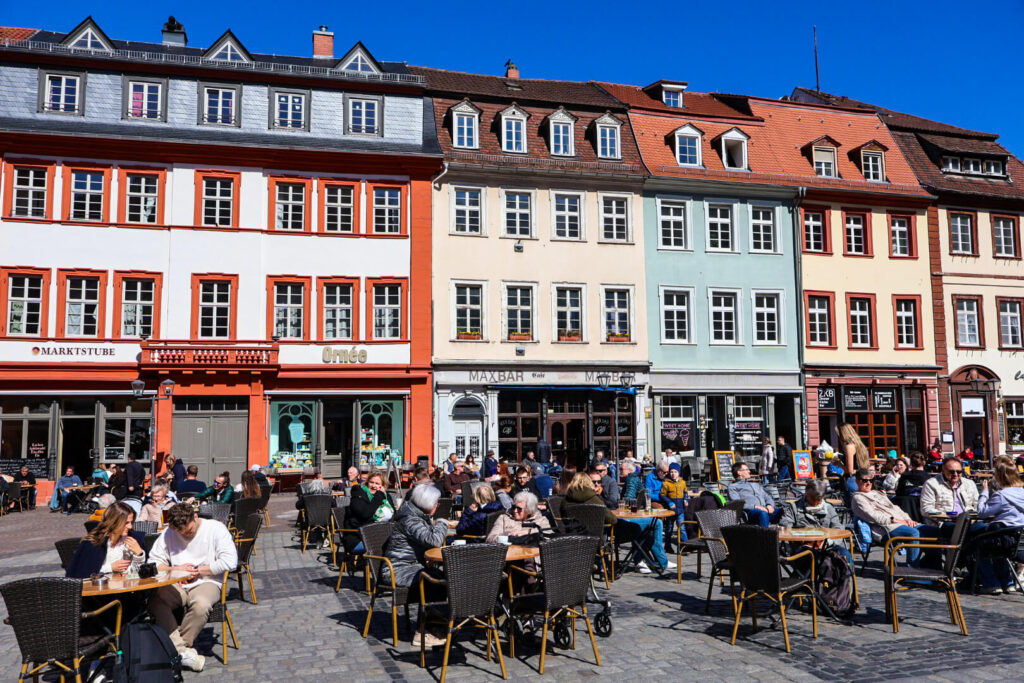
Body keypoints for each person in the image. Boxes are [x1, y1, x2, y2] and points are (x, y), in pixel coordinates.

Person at [148, 502, 238, 672]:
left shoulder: (215, 528)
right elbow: (153, 562)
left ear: (195, 517)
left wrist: (199, 571)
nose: (185, 535)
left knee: (201, 605)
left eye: (189, 531)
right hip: (177, 582)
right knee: (156, 601)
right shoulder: (169, 532)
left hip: (208, 580)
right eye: (181, 532)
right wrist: (176, 569)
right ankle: (181, 652)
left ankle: (176, 648)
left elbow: (230, 561)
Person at [382, 484, 449, 648]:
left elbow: (423, 542)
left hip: (412, 565)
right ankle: (423, 632)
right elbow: (434, 540)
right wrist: (442, 522)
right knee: (433, 581)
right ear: (427, 504)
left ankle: (434, 625)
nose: (437, 505)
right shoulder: (410, 519)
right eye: (436, 503)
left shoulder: (415, 515)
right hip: (398, 569)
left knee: (443, 578)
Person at [564, 472, 673, 574]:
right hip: (604, 534)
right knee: (650, 526)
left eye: (598, 482)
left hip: (574, 536)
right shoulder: (593, 499)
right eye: (593, 482)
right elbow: (612, 519)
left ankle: (646, 561)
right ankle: (659, 562)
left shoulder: (565, 500)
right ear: (588, 483)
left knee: (646, 528)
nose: (597, 484)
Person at [850, 467, 921, 566]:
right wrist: (895, 520)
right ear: (857, 481)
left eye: (871, 480)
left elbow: (895, 508)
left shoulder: (878, 493)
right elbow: (873, 516)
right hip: (885, 529)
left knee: (930, 530)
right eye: (865, 480)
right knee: (914, 533)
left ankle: (930, 566)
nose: (868, 483)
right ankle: (912, 572)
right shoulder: (858, 498)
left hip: (901, 523)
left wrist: (908, 520)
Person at [973, 463, 1024, 592]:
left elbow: (982, 512)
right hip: (1019, 540)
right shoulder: (1022, 493)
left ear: (1000, 477)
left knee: (977, 540)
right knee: (993, 538)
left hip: (1005, 541)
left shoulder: (1002, 495)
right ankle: (1007, 582)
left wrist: (984, 492)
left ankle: (991, 583)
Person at [66, 501, 147, 579]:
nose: (130, 526)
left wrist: (139, 554)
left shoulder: (134, 539)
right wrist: (111, 568)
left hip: (129, 589)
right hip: (101, 590)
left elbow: (140, 575)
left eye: (131, 522)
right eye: (126, 523)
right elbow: (82, 574)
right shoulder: (93, 543)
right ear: (114, 522)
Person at [342, 470, 394, 554]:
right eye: (371, 482)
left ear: (383, 486)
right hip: (359, 538)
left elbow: (394, 516)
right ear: (367, 482)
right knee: (388, 547)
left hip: (380, 536)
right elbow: (365, 514)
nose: (374, 486)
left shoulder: (386, 497)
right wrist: (379, 496)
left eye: (377, 484)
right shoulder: (359, 492)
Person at [920, 456, 979, 520]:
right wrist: (945, 517)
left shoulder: (969, 484)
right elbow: (926, 509)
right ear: (943, 471)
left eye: (959, 471)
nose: (955, 474)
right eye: (951, 471)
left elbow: (978, 505)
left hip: (968, 520)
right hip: (943, 522)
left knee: (983, 527)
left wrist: (973, 518)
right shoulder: (931, 484)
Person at [728, 462, 782, 527]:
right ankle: (765, 536)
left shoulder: (755, 484)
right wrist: (756, 507)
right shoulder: (733, 487)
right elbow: (737, 504)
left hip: (766, 509)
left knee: (783, 512)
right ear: (739, 472)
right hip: (751, 513)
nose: (749, 471)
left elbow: (767, 496)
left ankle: (788, 535)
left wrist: (769, 505)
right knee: (762, 514)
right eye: (747, 469)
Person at [661, 463, 689, 543]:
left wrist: (686, 499)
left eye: (675, 472)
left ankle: (685, 545)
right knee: (669, 528)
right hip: (671, 510)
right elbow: (662, 495)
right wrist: (669, 502)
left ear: (679, 473)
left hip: (680, 509)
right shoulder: (666, 483)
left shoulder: (682, 482)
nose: (673, 474)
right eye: (671, 472)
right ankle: (668, 545)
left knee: (682, 527)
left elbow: (685, 492)